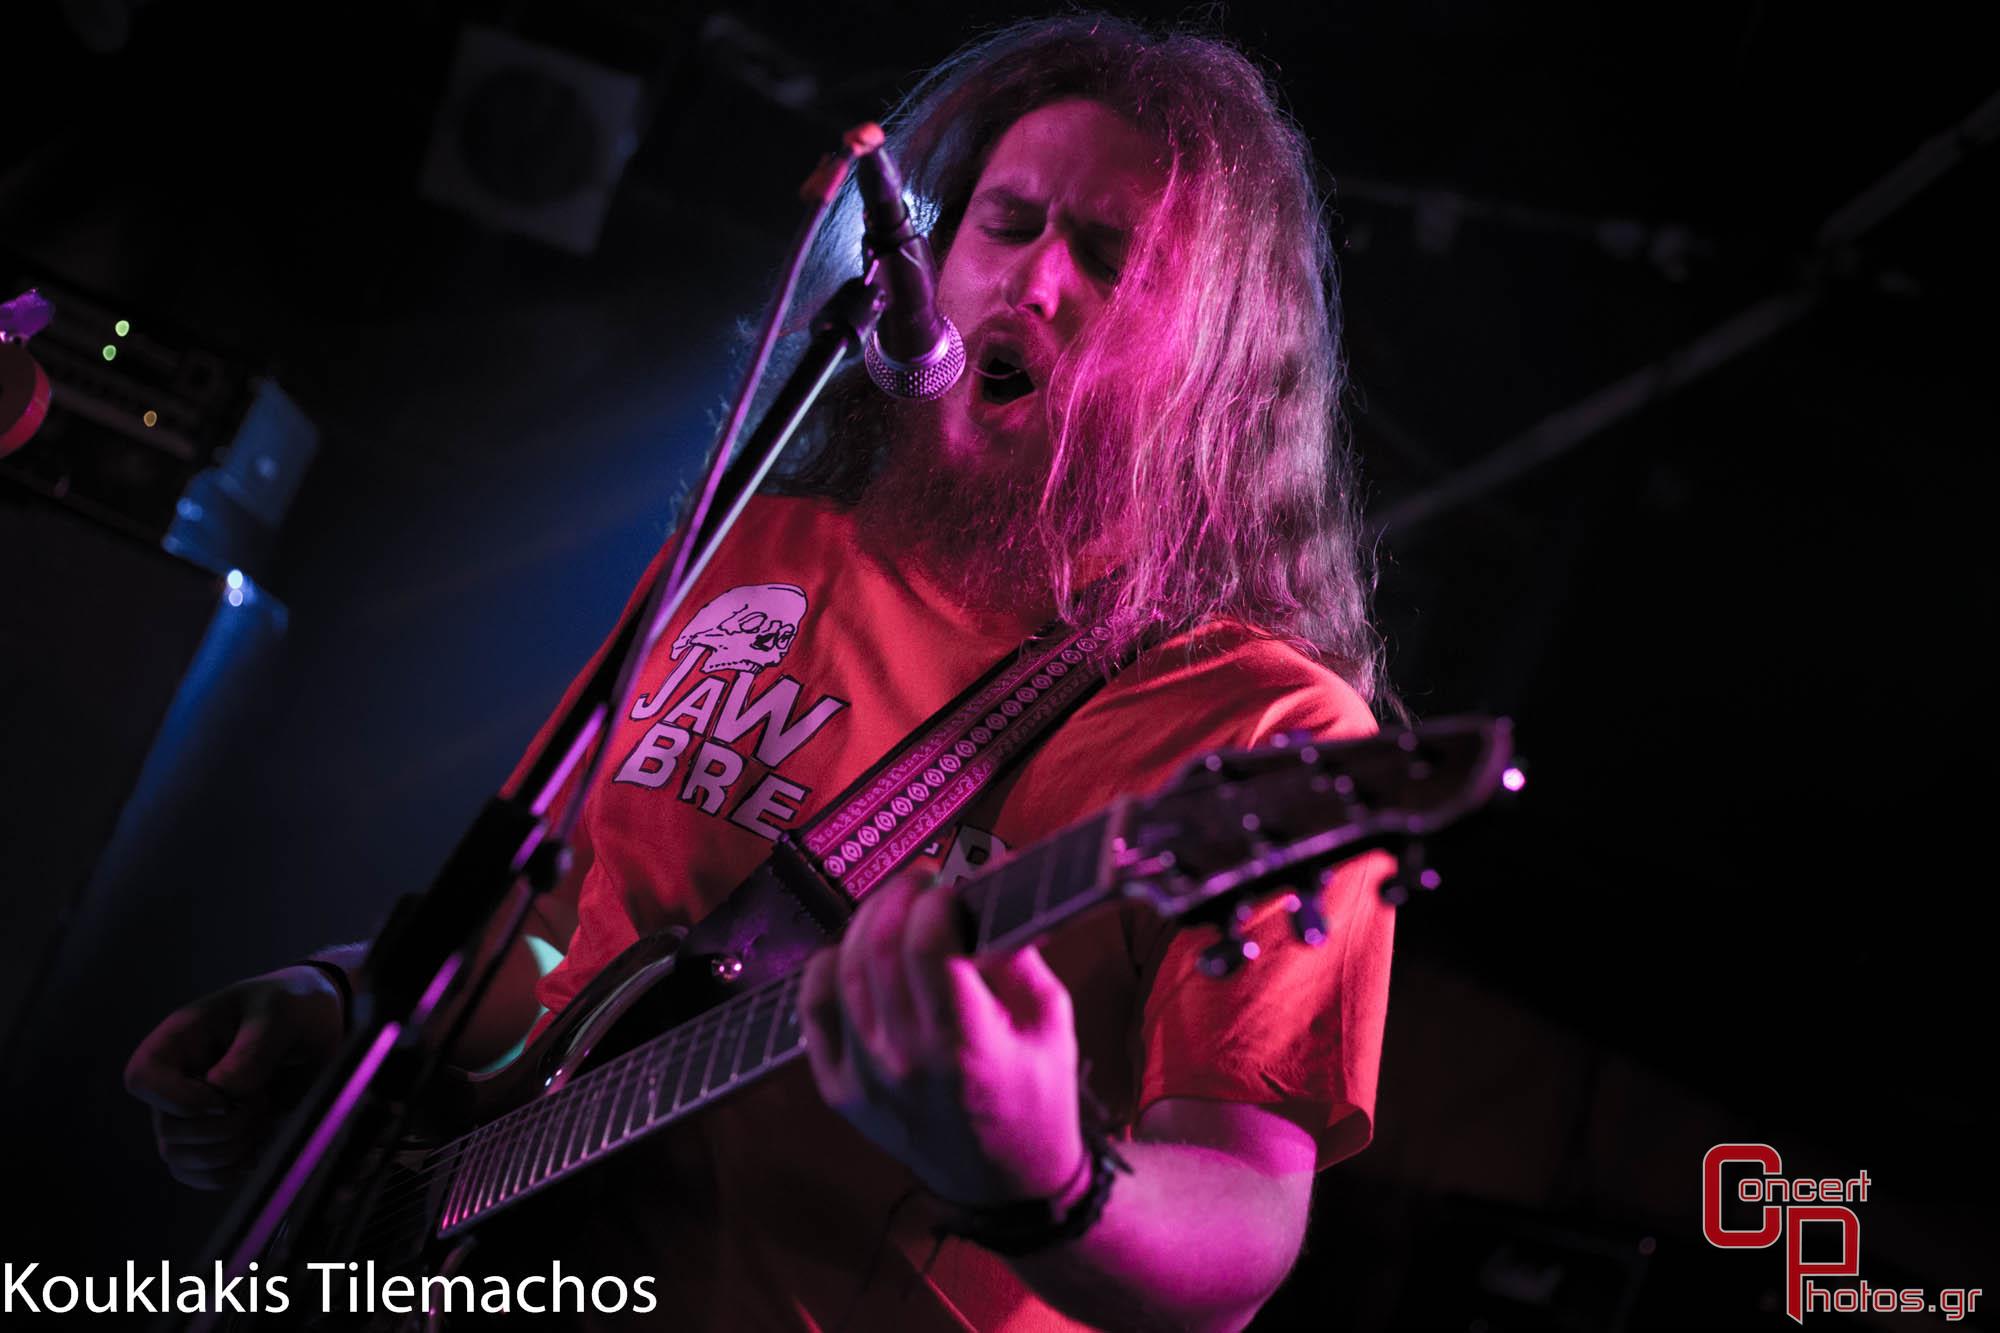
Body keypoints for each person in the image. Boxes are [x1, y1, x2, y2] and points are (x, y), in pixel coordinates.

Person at [126, 15, 1404, 1331]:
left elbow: (1244, 1229)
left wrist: (1046, 1178)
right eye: (1009, 223)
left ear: (1221, 357)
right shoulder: (758, 543)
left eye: (1108, 254)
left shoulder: (1264, 729)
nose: (1032, 280)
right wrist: (337, 1006)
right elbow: (547, 936)